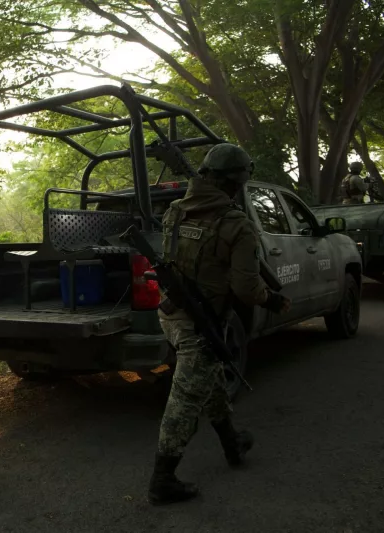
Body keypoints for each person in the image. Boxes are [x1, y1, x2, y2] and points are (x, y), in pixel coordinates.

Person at [148, 144, 291, 506]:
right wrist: (273, 299)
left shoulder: (175, 211)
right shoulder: (235, 224)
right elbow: (246, 288)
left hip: (171, 314)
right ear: (237, 181)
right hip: (201, 322)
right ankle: (162, 479)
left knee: (208, 379)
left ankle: (232, 441)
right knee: (184, 400)